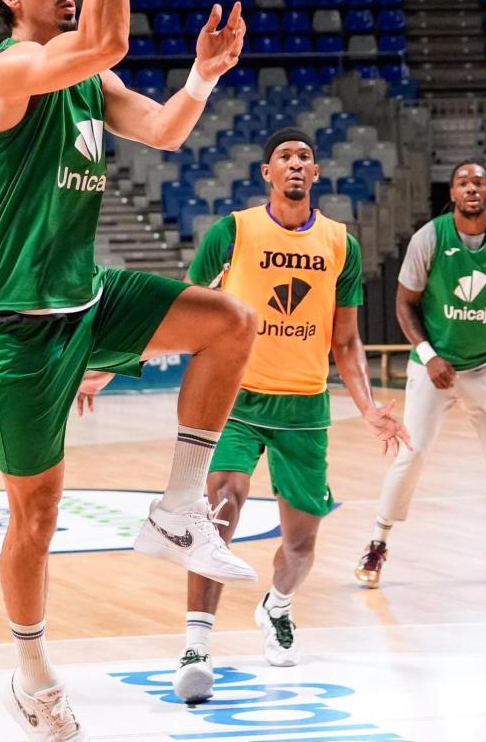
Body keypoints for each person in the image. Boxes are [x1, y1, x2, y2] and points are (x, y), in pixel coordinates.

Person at [0, 0, 251, 741]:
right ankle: (31, 671)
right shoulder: (9, 72)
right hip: (15, 326)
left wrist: (204, 74)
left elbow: (166, 131)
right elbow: (109, 37)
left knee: (229, 323)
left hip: (85, 300)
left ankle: (178, 508)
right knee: (36, 515)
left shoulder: (92, 85)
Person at [158, 128, 404, 704]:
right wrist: (116, 362)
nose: (295, 164)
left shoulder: (341, 243)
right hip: (236, 397)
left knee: (299, 545)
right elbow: (183, 309)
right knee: (220, 507)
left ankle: (279, 605)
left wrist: (367, 407)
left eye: (305, 158)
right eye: (284, 158)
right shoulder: (234, 231)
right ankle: (197, 645)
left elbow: (346, 340)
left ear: (315, 175)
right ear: (267, 173)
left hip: (304, 405)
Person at [356, 160, 486, 588]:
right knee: (414, 451)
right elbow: (404, 303)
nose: (472, 187)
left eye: (479, 181)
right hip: (433, 366)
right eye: (463, 182)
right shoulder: (430, 237)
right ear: (453, 193)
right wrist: (427, 354)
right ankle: (377, 543)